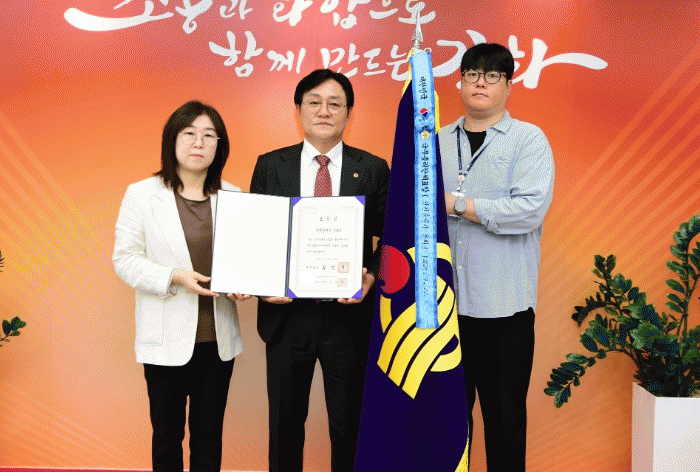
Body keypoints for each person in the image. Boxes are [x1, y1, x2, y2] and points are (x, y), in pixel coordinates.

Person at [250, 69, 390, 472]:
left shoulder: (373, 167)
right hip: (286, 316)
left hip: (348, 318)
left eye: (335, 103)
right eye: (314, 102)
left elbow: (390, 238)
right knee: (285, 427)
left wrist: (370, 277)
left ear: (348, 112)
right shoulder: (270, 165)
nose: (324, 111)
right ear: (298, 110)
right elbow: (256, 235)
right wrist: (261, 283)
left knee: (350, 429)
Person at [113, 100, 248, 472]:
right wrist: (174, 276)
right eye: (189, 133)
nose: (198, 143)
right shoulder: (142, 195)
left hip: (217, 340)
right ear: (172, 140)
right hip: (164, 339)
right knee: (167, 437)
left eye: (209, 135)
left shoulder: (235, 197)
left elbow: (244, 260)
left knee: (209, 439)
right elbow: (124, 259)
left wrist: (244, 284)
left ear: (220, 145)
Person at [439, 43, 555, 471]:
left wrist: (458, 205)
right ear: (460, 83)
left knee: (504, 423)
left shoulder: (528, 140)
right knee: (446, 423)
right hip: (443, 308)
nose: (480, 83)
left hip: (505, 311)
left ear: (508, 85)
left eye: (491, 76)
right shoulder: (434, 142)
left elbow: (528, 210)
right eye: (472, 75)